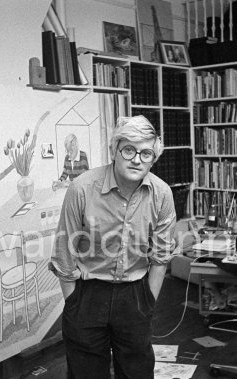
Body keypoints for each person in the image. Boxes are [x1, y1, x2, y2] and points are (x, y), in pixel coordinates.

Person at [49, 115, 178, 378]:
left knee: (137, 373)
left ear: (154, 157)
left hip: (135, 295)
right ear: (114, 150)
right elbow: (64, 252)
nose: (137, 159)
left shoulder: (162, 193)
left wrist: (148, 301)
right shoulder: (82, 188)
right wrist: (73, 300)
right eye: (129, 149)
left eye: (146, 153)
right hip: (88, 294)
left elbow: (161, 256)